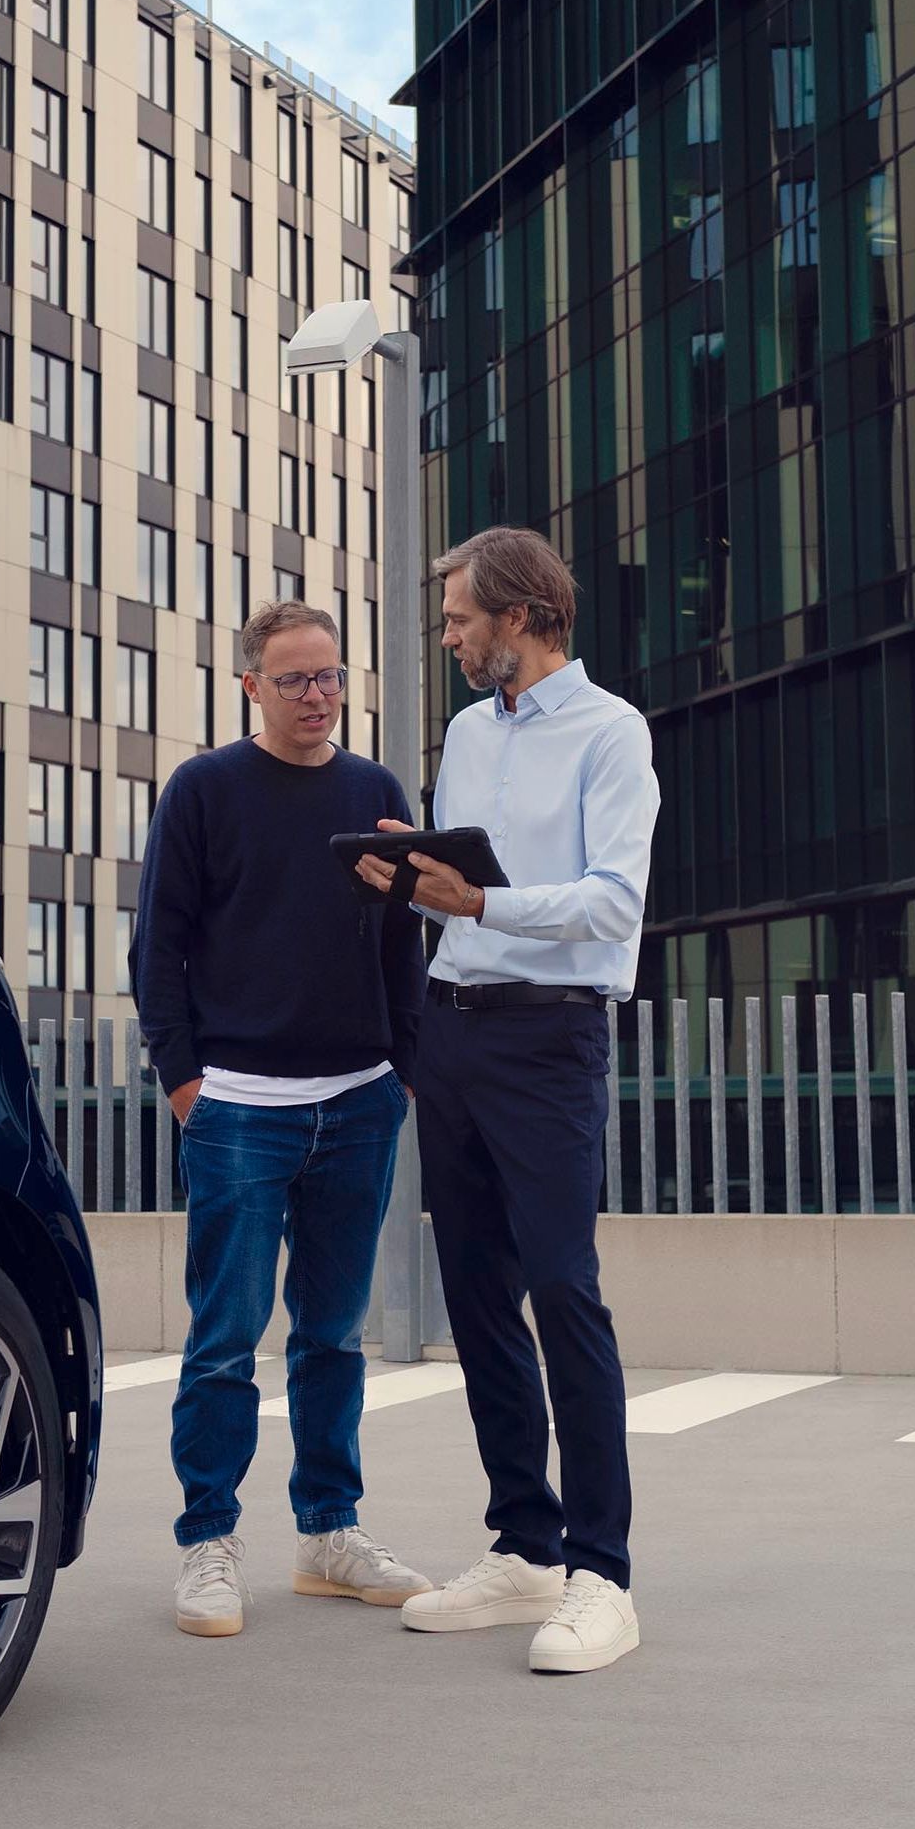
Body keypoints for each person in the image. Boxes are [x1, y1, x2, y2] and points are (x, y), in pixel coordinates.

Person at [357, 527, 659, 1675]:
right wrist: (410, 879)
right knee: (476, 1297)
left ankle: (602, 1574)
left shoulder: (612, 732)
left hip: (549, 1040)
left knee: (562, 1291)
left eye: (459, 618)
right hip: (455, 1030)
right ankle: (525, 1546)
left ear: (521, 616)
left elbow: (611, 903)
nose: (446, 636)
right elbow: (460, 894)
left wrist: (478, 904)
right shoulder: (471, 734)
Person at [132, 600, 432, 1638]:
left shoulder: (375, 792)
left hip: (358, 1101)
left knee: (333, 1336)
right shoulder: (204, 789)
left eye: (331, 676)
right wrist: (185, 1081)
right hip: (238, 1108)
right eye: (296, 679)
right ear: (251, 685)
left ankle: (328, 1534)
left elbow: (401, 943)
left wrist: (402, 1071)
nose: (318, 695)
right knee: (224, 1339)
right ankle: (208, 1541)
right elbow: (159, 944)